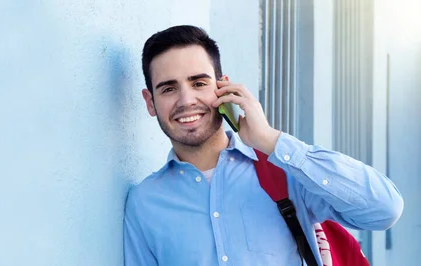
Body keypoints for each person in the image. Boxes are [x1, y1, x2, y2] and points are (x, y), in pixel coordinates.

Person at [123, 25, 404, 266]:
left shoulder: (285, 171)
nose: (186, 101)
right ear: (150, 102)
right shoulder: (144, 203)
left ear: (223, 88)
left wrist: (270, 140)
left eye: (198, 83)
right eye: (169, 88)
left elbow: (384, 209)